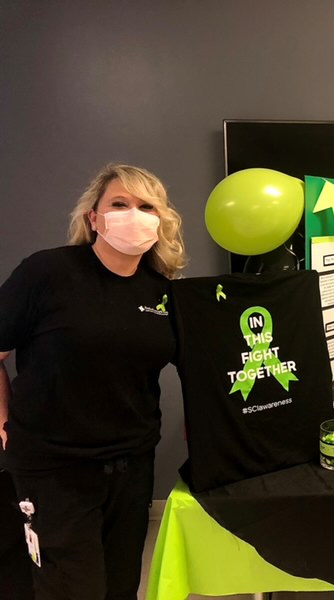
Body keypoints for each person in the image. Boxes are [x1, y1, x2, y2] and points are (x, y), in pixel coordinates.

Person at [0, 164, 187, 600]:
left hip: (131, 464)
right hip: (55, 467)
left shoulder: (162, 291)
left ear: (161, 220)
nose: (134, 214)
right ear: (94, 218)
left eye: (146, 206)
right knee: (71, 588)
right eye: (119, 203)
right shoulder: (47, 273)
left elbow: (198, 367)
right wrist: (2, 418)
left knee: (121, 584)